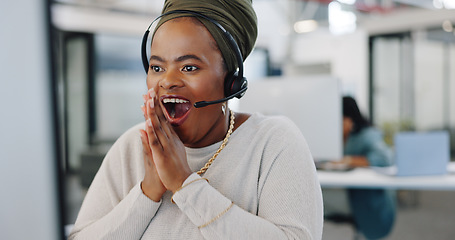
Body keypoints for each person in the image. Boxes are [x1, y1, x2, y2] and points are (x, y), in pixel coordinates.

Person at [68, 0, 323, 239]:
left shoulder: (274, 143)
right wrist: (148, 192)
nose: (167, 80)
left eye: (189, 67)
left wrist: (185, 184)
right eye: (157, 67)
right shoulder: (132, 147)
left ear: (230, 81)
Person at [326, 96, 396, 239]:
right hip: (352, 195)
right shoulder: (341, 137)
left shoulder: (367, 135)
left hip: (371, 202)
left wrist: (348, 160)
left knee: (319, 199)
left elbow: (385, 159)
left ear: (348, 119)